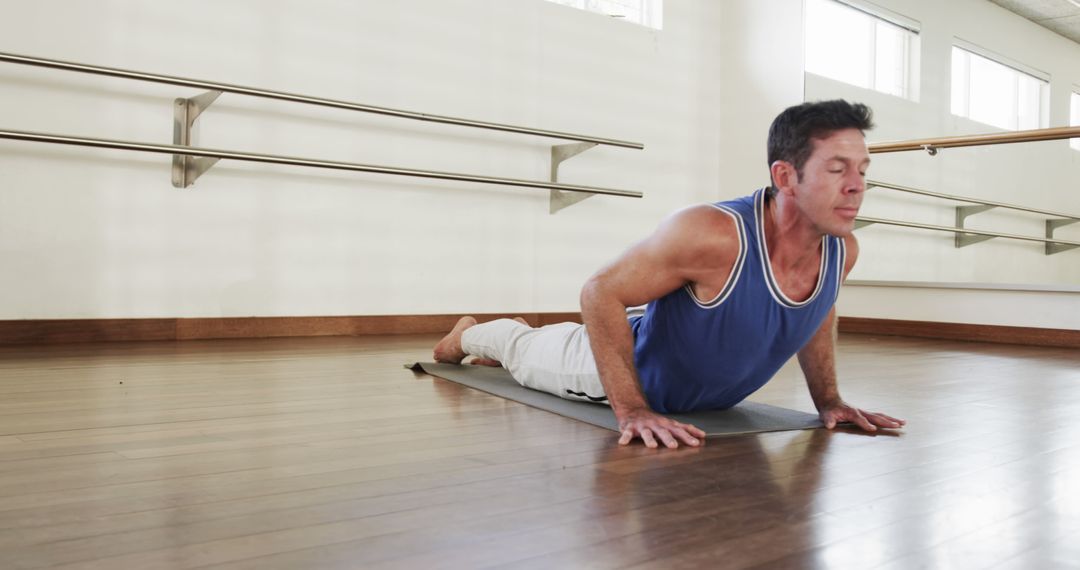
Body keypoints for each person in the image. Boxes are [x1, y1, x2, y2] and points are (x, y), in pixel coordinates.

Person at [434, 99, 905, 449]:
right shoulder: (712, 234)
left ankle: (523, 334)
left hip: (696, 391)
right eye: (837, 169)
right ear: (785, 177)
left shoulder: (841, 251)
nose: (856, 186)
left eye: (863, 170)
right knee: (522, 351)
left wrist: (829, 400)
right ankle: (469, 335)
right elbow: (600, 291)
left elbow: (815, 313)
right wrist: (633, 410)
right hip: (607, 373)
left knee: (538, 341)